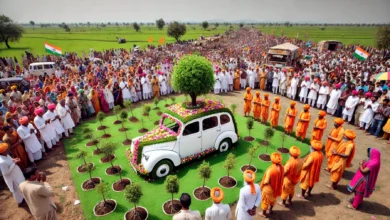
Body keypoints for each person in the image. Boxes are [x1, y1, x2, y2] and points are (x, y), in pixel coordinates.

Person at [259, 152, 284, 218]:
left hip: (269, 188)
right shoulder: (282, 168)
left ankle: (263, 213)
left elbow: (266, 181)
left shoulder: (270, 170)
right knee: (273, 199)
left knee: (265, 201)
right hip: (277, 187)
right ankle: (270, 210)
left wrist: (263, 184)